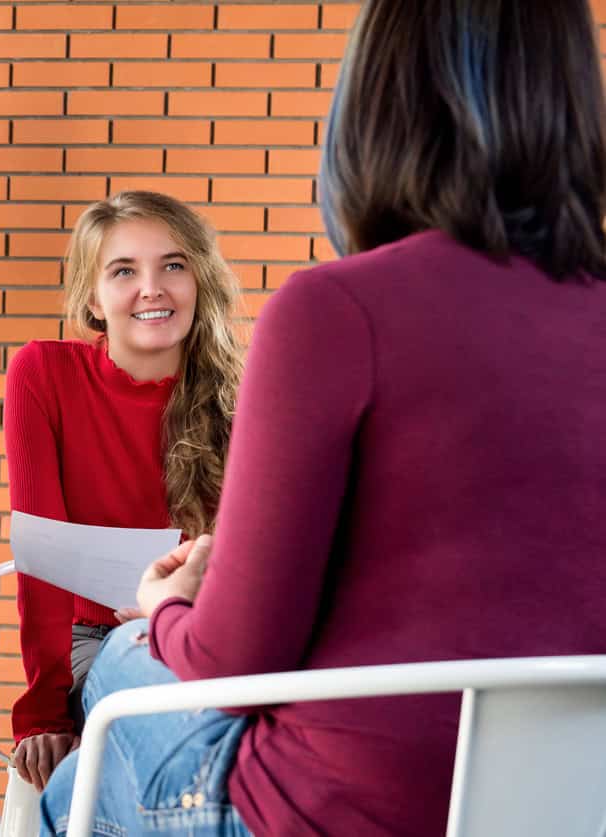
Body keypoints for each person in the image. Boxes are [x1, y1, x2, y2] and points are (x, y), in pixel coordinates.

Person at [39, 1, 606, 835]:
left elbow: (238, 655)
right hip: (570, 802)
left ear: (377, 99)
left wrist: (165, 602)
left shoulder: (333, 312)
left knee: (87, 757)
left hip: (347, 806)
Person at [3, 191, 244, 791]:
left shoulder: (246, 396)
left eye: (172, 265)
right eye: (123, 271)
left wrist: (180, 604)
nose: (152, 288)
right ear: (92, 298)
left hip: (209, 629)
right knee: (178, 708)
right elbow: (44, 561)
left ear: (199, 279)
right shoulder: (42, 375)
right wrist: (43, 711)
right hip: (98, 640)